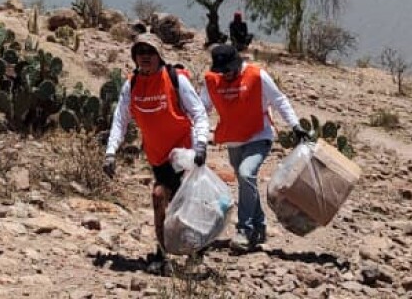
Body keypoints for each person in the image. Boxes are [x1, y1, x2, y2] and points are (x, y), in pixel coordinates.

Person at [102, 33, 209, 275]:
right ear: (135, 57)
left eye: (150, 52)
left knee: (186, 206)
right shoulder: (132, 85)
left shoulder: (175, 80)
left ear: (159, 54)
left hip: (185, 154)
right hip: (159, 157)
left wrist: (201, 145)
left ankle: (196, 255)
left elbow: (200, 114)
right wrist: (110, 153)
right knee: (159, 199)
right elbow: (120, 120)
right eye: (141, 53)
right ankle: (163, 255)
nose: (145, 57)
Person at [198, 43, 307, 250]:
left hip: (259, 135)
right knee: (245, 181)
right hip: (233, 139)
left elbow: (279, 100)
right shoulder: (212, 80)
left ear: (237, 63)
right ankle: (260, 226)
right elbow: (202, 108)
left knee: (246, 174)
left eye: (229, 70)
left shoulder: (257, 76)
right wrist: (196, 135)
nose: (226, 75)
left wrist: (295, 126)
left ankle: (244, 230)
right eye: (221, 71)